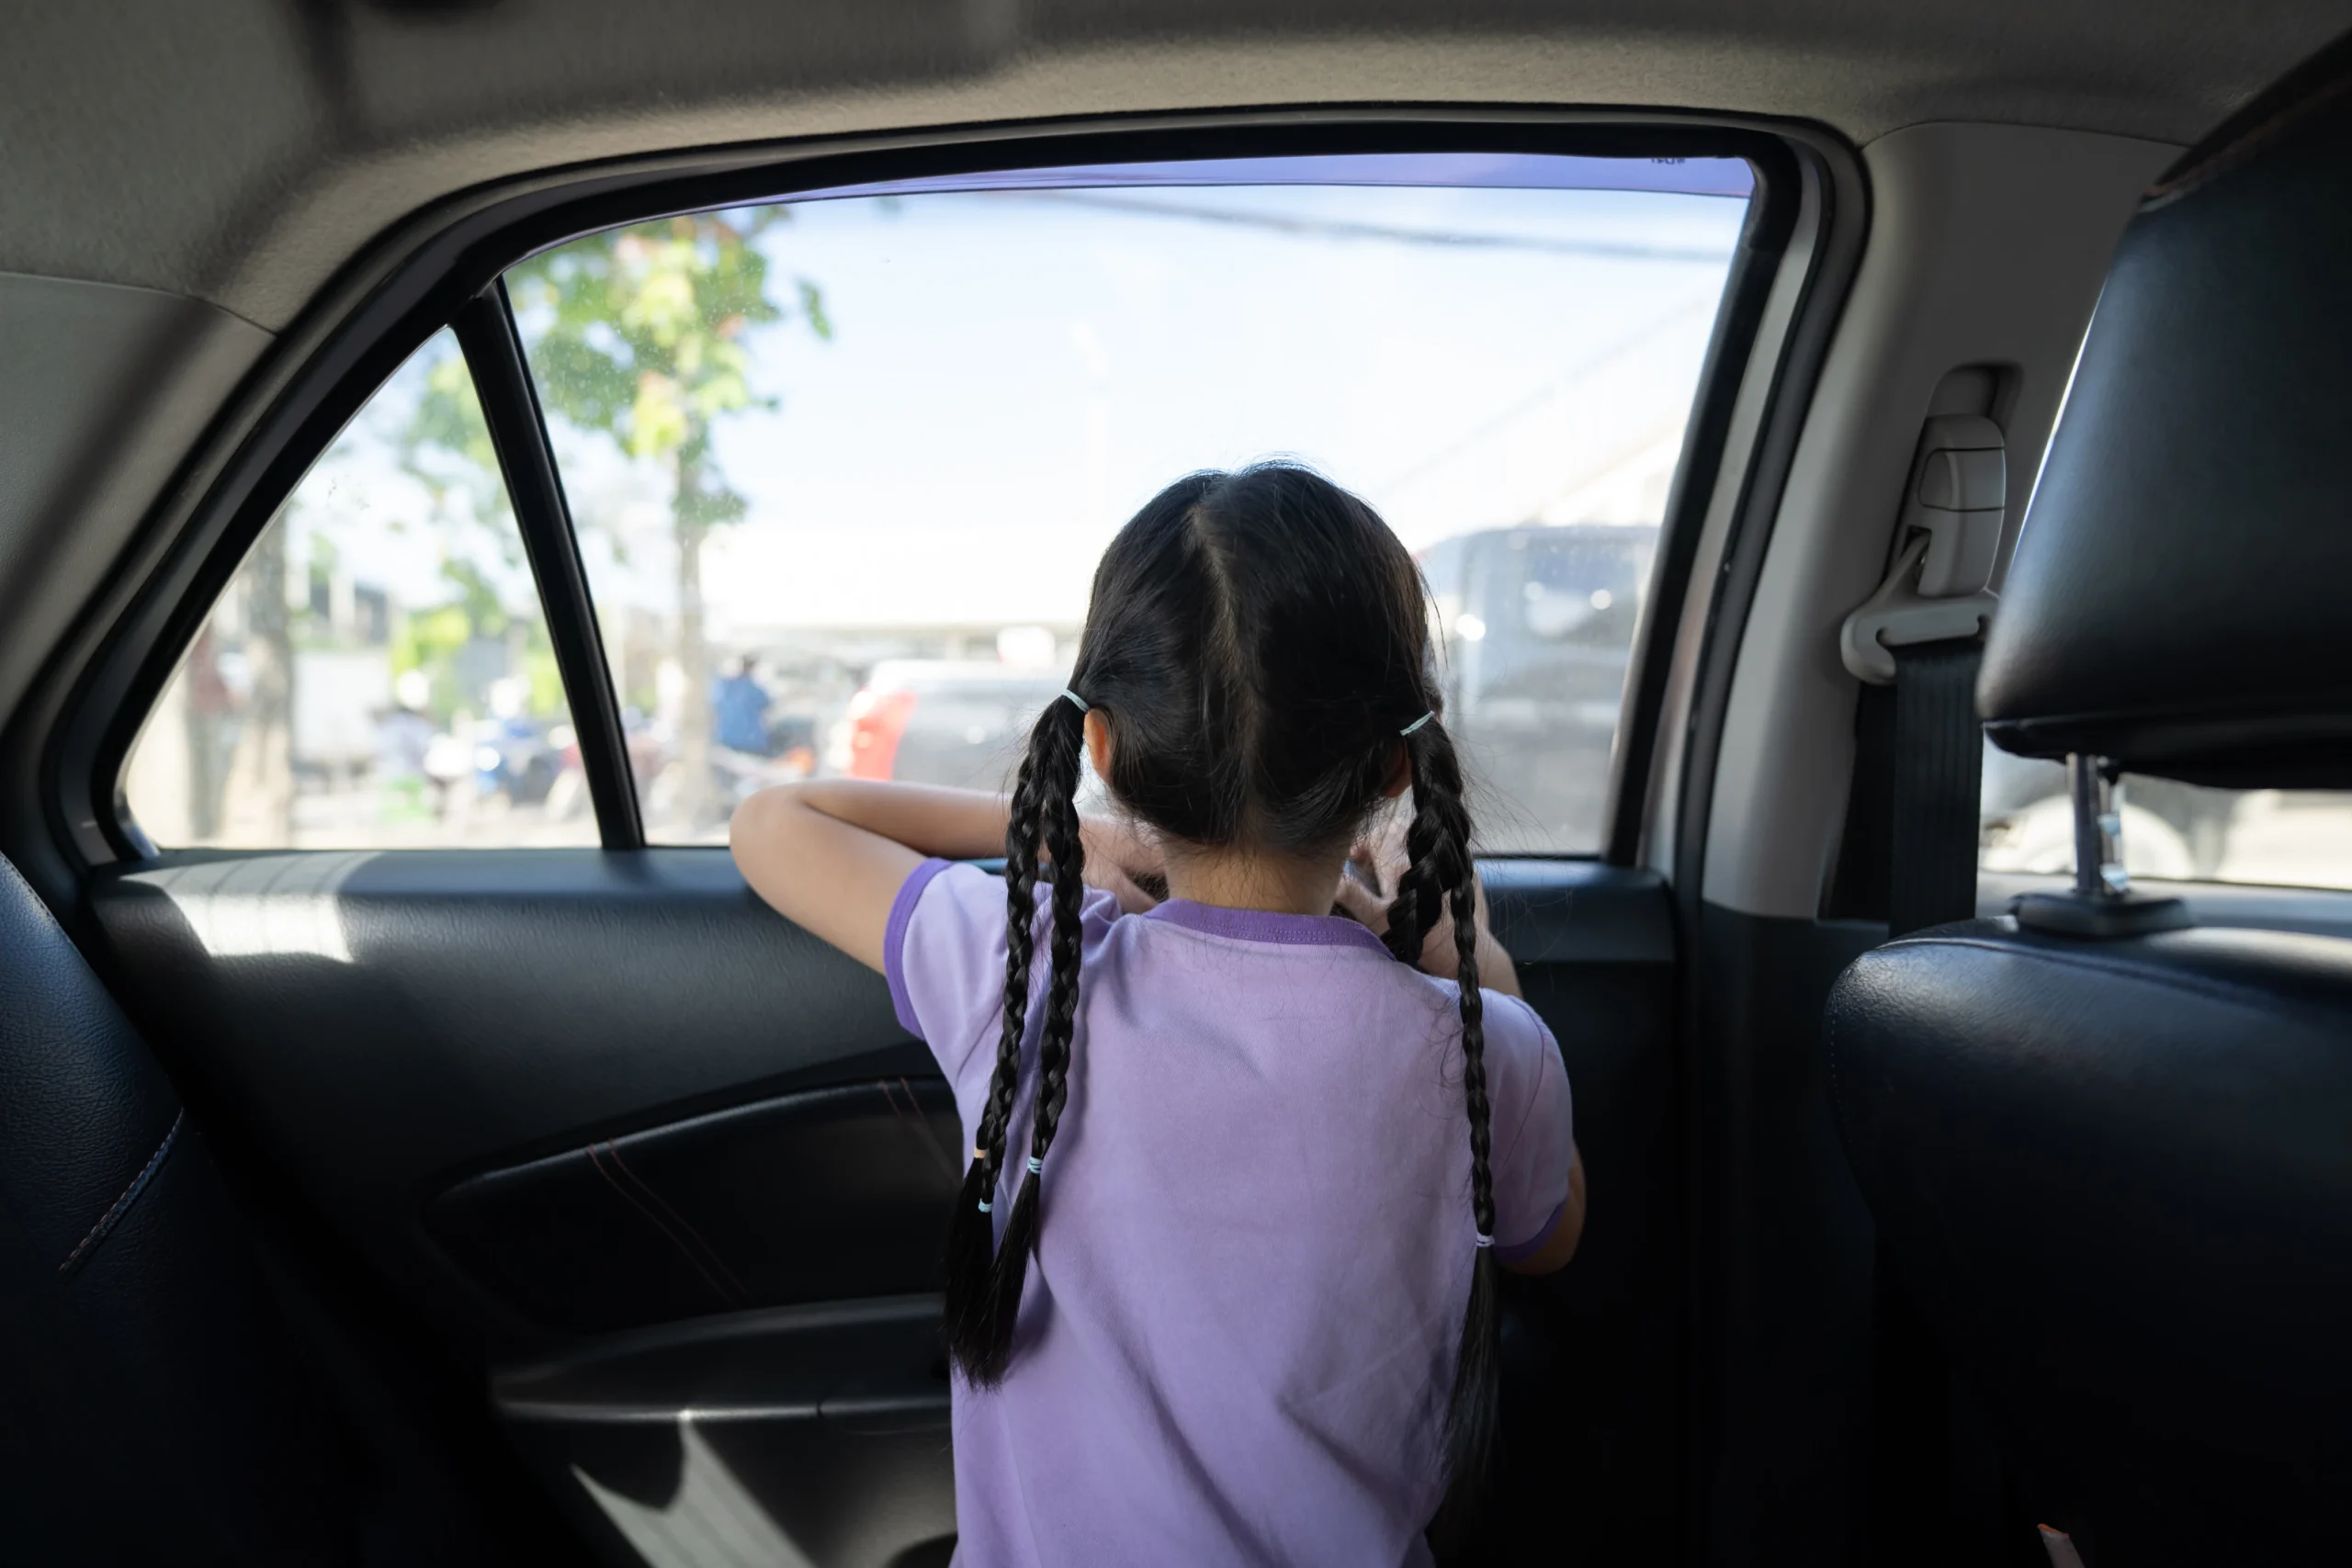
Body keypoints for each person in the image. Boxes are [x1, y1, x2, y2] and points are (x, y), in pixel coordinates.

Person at [731, 464, 1585, 1564]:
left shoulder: (1030, 967)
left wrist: (1070, 837)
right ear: (1389, 767)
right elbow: (1550, 1234)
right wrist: (1472, 958)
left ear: (1103, 748)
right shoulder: (1478, 1050)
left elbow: (777, 821)